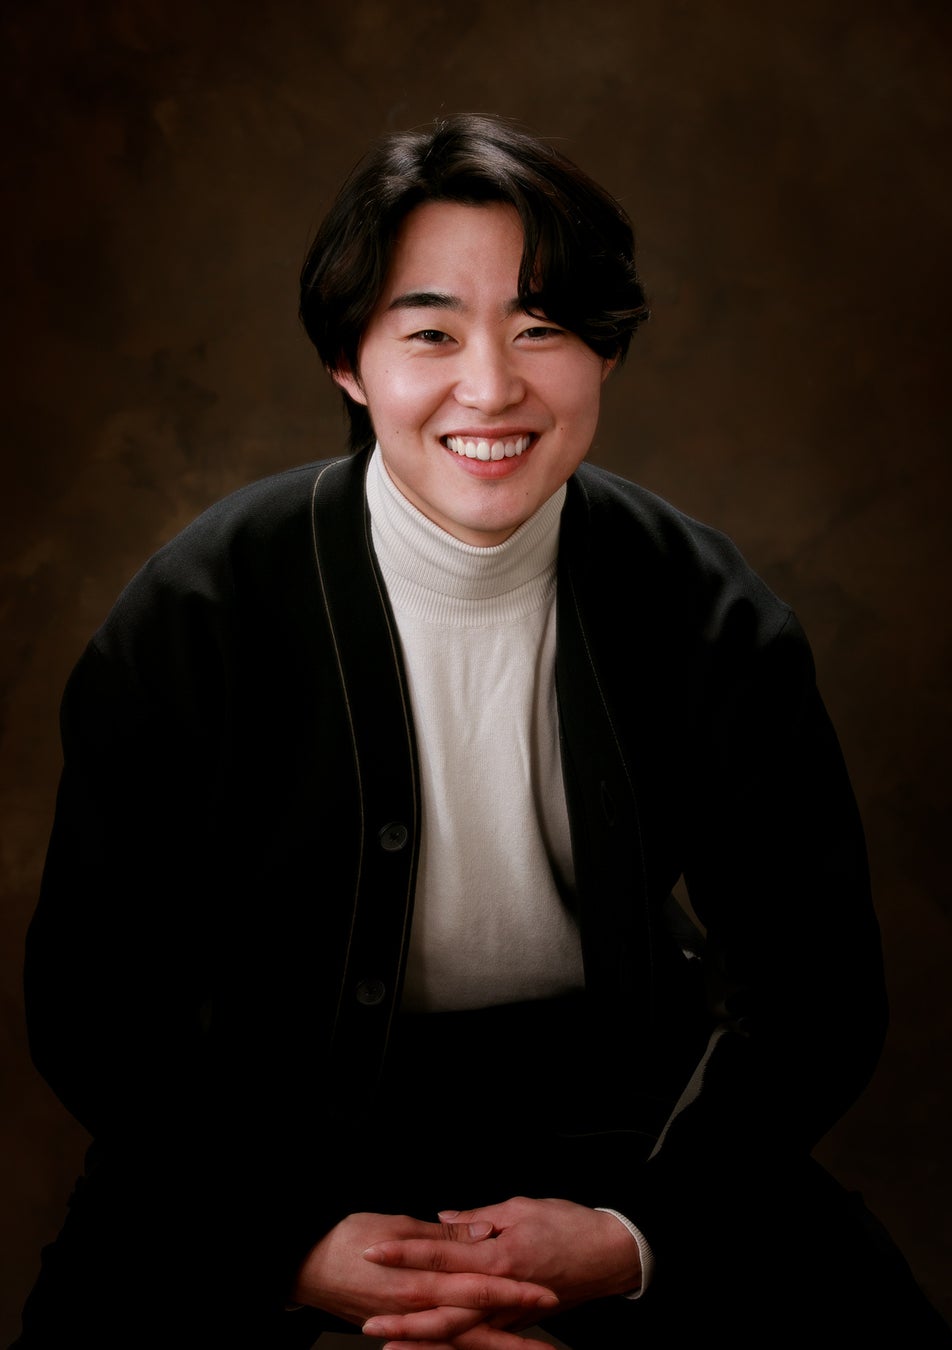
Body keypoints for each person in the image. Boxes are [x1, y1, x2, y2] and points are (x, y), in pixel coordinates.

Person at [15, 114, 950, 1349]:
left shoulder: (703, 608)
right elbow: (92, 1002)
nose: (493, 387)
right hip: (260, 1128)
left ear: (604, 352)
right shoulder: (200, 609)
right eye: (431, 333)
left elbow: (816, 990)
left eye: (541, 327)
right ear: (349, 363)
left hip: (620, 1123)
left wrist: (630, 1237)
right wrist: (287, 1239)